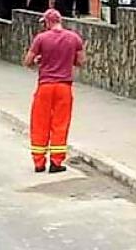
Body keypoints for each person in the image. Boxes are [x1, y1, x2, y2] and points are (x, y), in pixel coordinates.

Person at [23, 9, 86, 173]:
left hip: (45, 86)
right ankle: (56, 162)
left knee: (39, 123)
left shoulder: (41, 38)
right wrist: (66, 59)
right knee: (60, 124)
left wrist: (39, 60)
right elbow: (81, 62)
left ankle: (39, 162)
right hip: (64, 87)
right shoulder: (74, 38)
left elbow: (27, 61)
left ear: (48, 22)